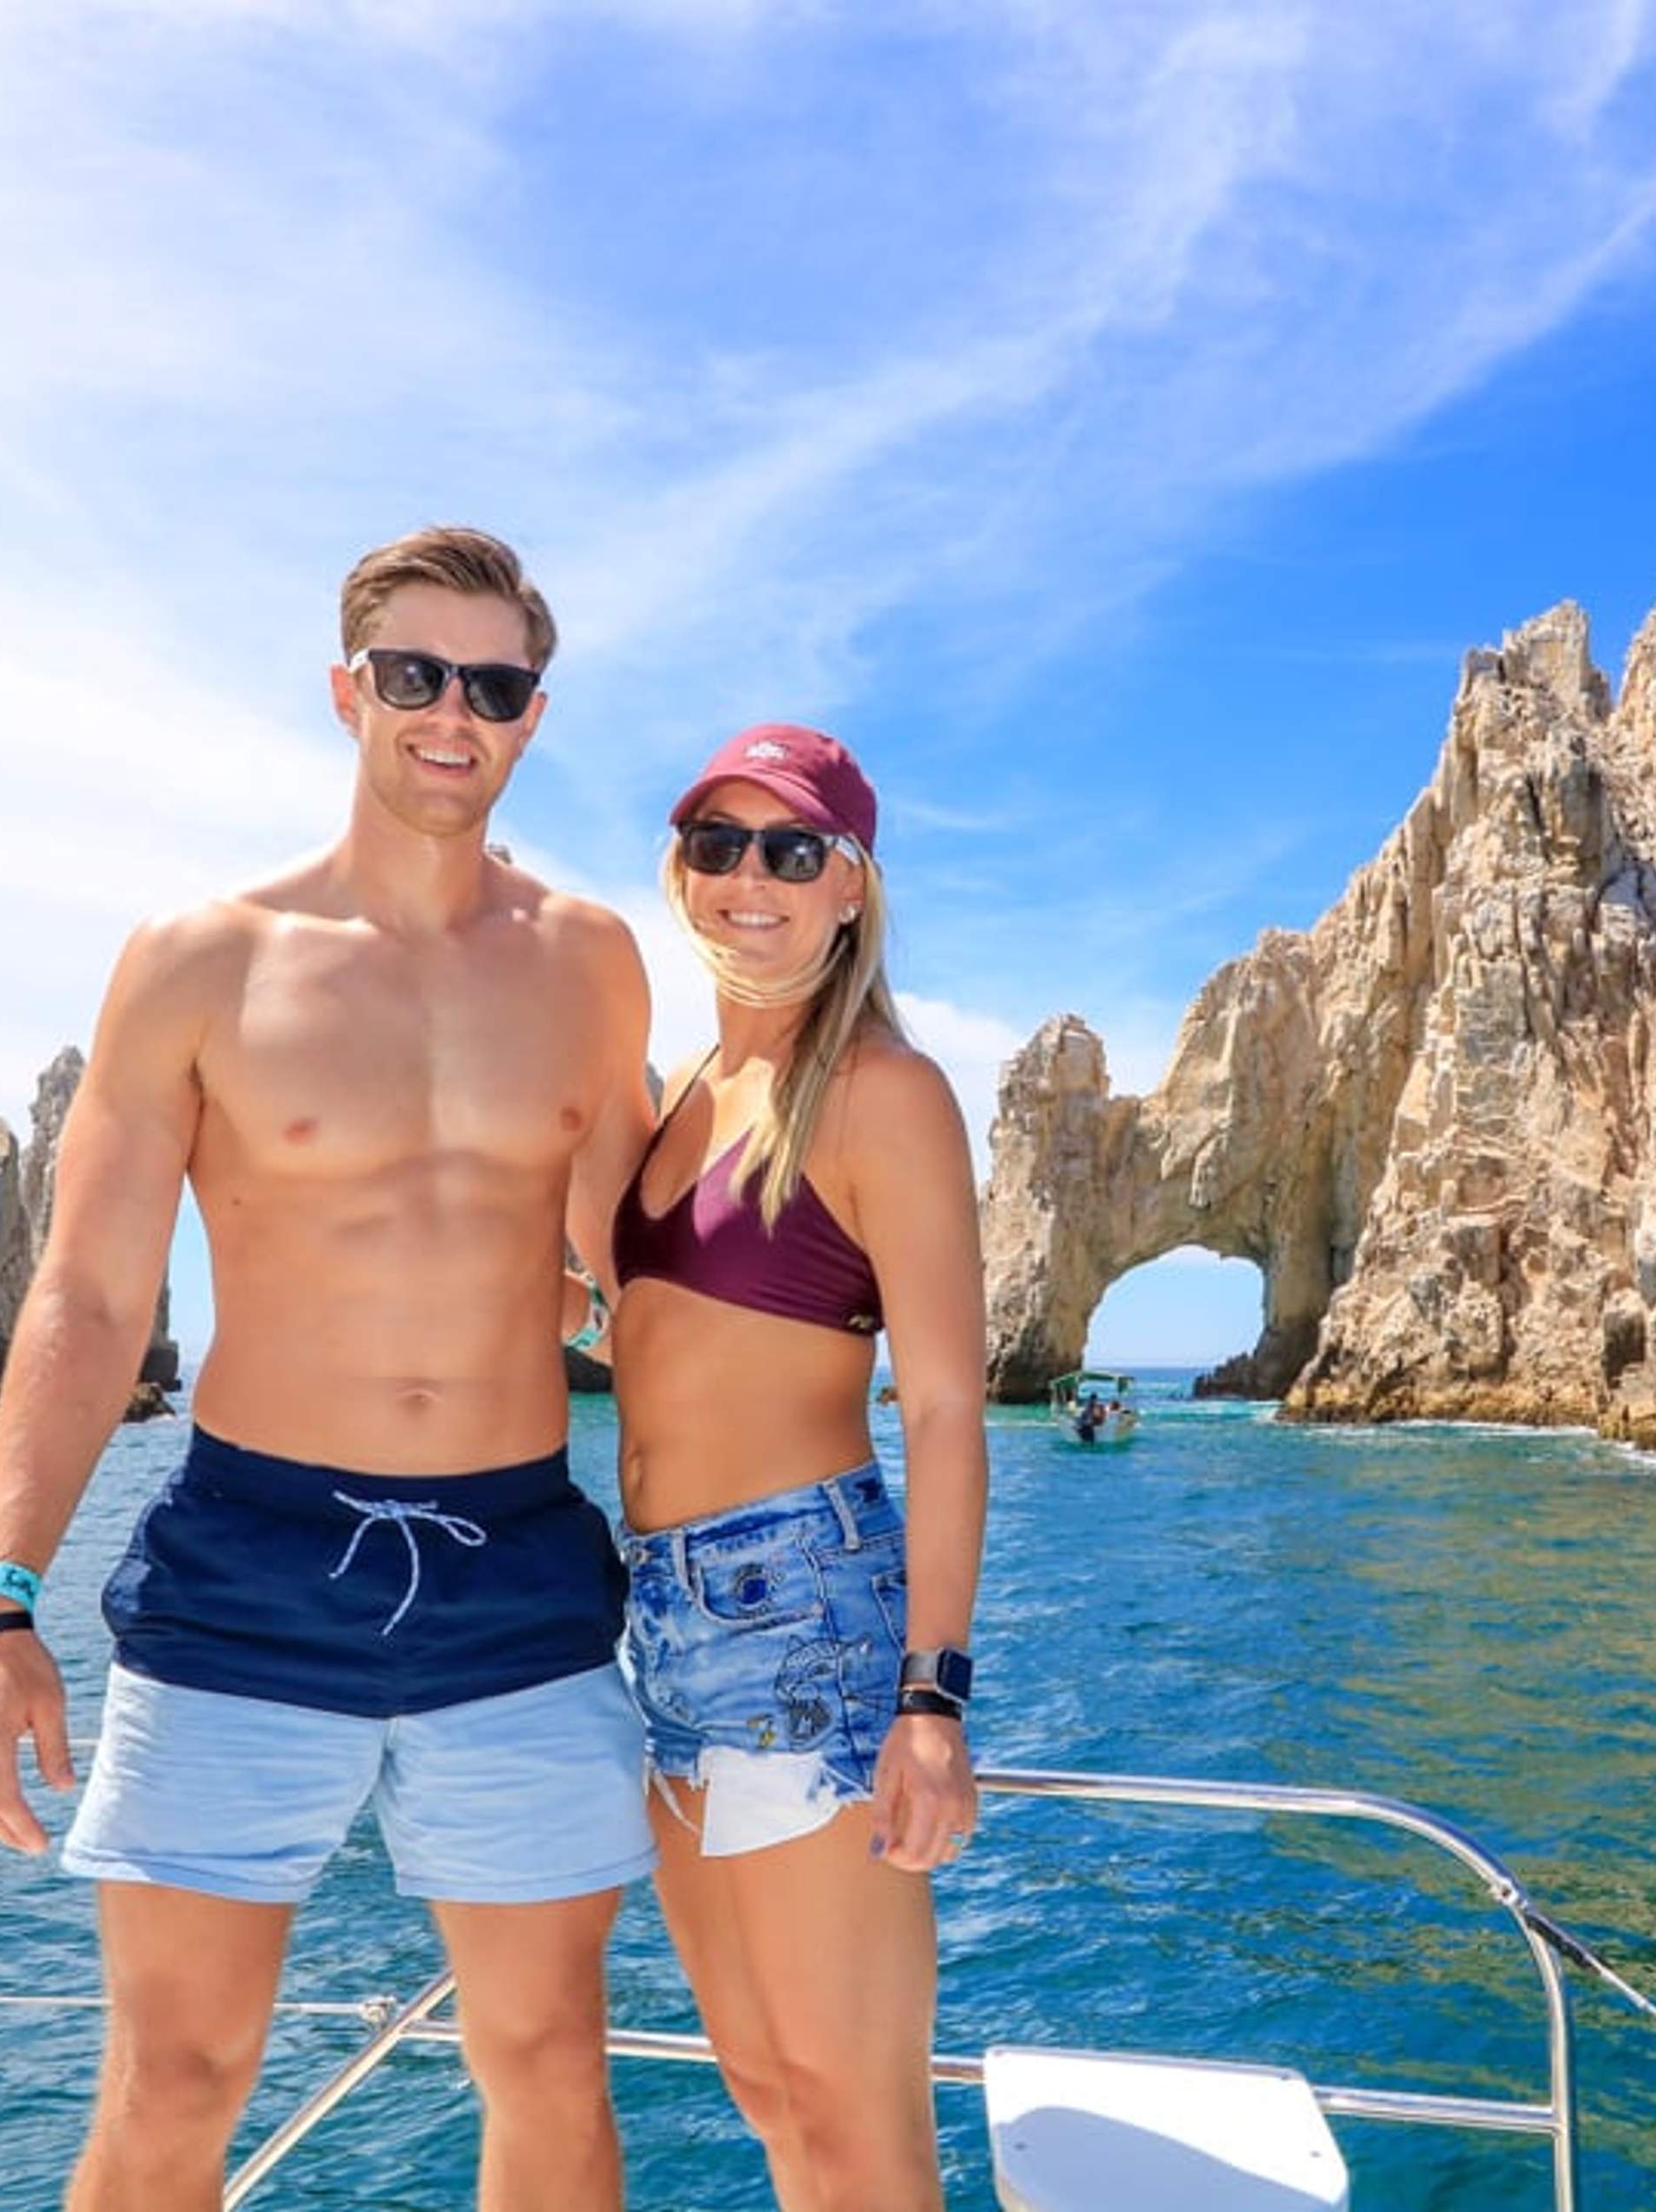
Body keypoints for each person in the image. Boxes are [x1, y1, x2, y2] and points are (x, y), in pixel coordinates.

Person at [0, 526, 658, 2212]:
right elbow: (92, 1289)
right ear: (349, 692)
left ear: (531, 717)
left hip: (520, 1565)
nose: (450, 713)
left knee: (548, 2060)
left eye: (493, 685)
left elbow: (640, 1288)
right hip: (248, 1556)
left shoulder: (592, 962)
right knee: (178, 2074)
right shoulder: (203, 957)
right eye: (415, 675)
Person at [608, 723, 987, 2210]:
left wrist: (932, 1699)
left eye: (792, 848)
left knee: (858, 2122)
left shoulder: (884, 1092)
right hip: (662, 1621)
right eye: (718, 844)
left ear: (853, 888)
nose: (749, 878)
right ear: (680, 873)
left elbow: (947, 1412)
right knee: (766, 2090)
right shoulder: (687, 1092)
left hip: (805, 1618)